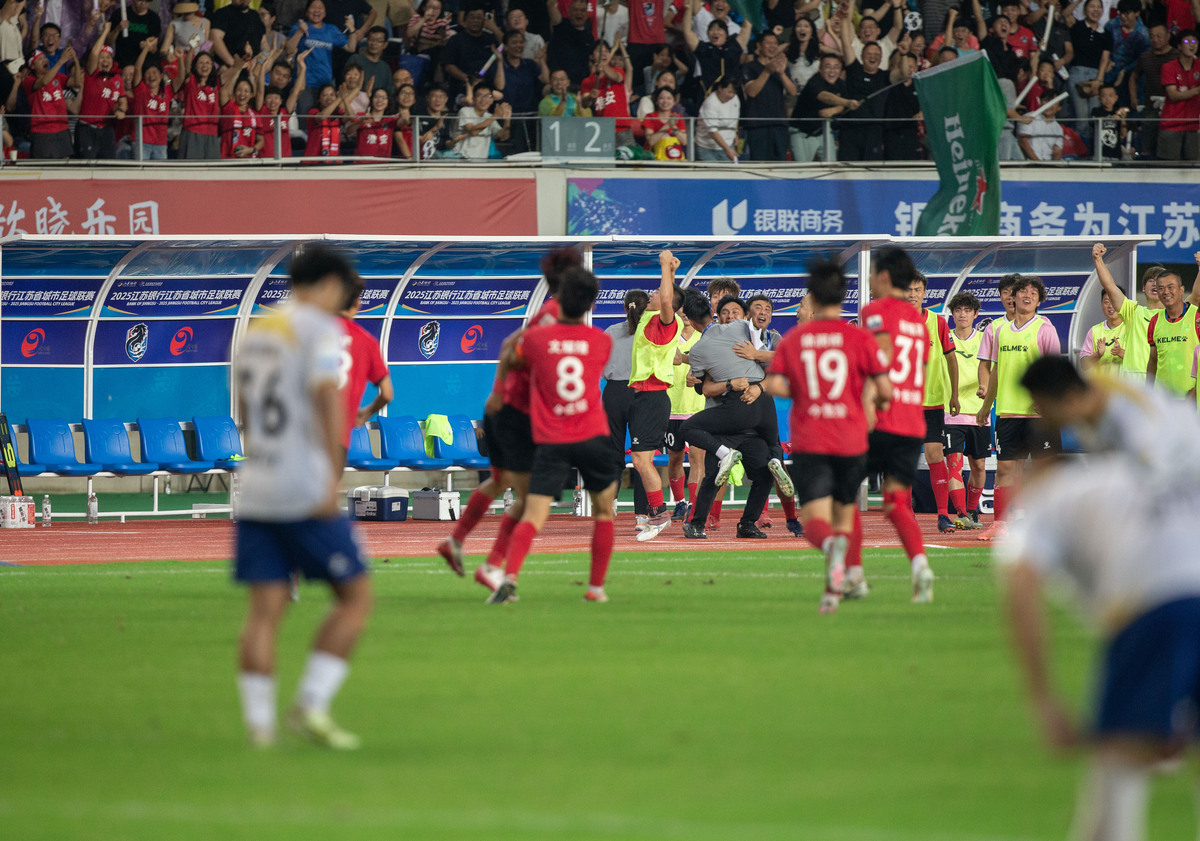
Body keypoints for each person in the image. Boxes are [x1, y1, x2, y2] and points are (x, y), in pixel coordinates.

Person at [234, 244, 372, 750]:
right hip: (301, 486)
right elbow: (326, 401)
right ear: (331, 284)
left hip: (257, 485)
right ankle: (311, 704)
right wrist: (328, 482)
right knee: (356, 598)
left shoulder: (259, 331)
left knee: (264, 610)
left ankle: (259, 728)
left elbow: (247, 412)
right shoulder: (320, 329)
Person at [437, 249, 573, 590]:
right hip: (516, 416)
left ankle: (455, 541)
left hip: (506, 410)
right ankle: (493, 566)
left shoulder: (549, 313)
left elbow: (511, 345)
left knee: (499, 482)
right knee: (530, 501)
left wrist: (498, 392)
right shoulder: (555, 314)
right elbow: (516, 351)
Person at [764, 259, 892, 615]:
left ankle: (836, 562)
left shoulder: (796, 339)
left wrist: (804, 390)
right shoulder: (859, 337)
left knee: (816, 521)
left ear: (812, 297)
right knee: (846, 514)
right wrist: (871, 400)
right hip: (851, 439)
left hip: (812, 439)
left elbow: (774, 383)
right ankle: (842, 585)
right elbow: (884, 389)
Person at [488, 266, 620, 605]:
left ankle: (511, 576)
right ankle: (595, 589)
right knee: (604, 512)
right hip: (592, 435)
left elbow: (511, 358)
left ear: (558, 299)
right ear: (591, 303)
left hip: (552, 440)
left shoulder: (534, 341)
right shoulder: (602, 342)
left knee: (533, 514)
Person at [860, 246, 936, 603]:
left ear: (884, 277)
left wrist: (868, 405)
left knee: (838, 496)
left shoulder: (875, 311)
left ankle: (851, 577)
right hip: (911, 421)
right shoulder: (919, 323)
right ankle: (920, 565)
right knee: (895, 502)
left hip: (882, 420)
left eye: (874, 274)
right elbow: (918, 371)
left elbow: (882, 356)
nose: (871, 281)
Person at [974, 274, 1061, 541]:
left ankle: (1053, 525)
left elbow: (1054, 370)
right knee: (1004, 469)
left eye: (1033, 293)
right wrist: (986, 407)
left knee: (1044, 471)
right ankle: (1000, 523)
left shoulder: (1045, 329)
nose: (1027, 296)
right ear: (1014, 297)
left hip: (1038, 415)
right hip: (1007, 412)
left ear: (1039, 301)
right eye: (1023, 291)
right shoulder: (1001, 330)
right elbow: (996, 372)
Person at [626, 249, 684, 542]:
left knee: (641, 461)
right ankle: (657, 513)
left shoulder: (664, 324)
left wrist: (664, 267)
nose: (651, 296)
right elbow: (666, 297)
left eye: (656, 294)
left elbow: (666, 300)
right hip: (643, 398)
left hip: (652, 397)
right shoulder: (649, 321)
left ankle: (659, 514)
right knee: (640, 460)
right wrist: (671, 272)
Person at [1092, 242, 1200, 393]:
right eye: (1152, 281)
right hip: (1135, 382)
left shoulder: (1183, 311)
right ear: (1143, 288)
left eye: (1164, 284)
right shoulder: (1133, 312)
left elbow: (1196, 295)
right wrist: (1098, 260)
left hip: (1171, 383)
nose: (1158, 287)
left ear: (1179, 290)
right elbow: (1110, 287)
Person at [906, 272, 959, 534]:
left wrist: (955, 394)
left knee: (935, 455)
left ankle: (942, 515)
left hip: (933, 402)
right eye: (908, 289)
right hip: (903, 403)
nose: (913, 294)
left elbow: (951, 359)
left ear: (925, 293)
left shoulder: (937, 322)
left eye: (917, 289)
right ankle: (906, 516)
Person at [602, 290, 652, 532]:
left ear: (625, 308)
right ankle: (642, 516)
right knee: (642, 457)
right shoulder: (653, 332)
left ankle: (608, 509)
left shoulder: (611, 331)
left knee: (613, 454)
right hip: (642, 393)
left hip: (613, 393)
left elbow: (600, 366)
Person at [943, 291, 988, 529]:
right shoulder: (946, 338)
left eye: (967, 310)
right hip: (951, 413)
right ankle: (961, 513)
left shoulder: (984, 338)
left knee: (978, 466)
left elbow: (991, 370)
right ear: (952, 314)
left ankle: (972, 510)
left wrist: (985, 389)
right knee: (954, 464)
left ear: (975, 314)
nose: (962, 314)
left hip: (979, 413)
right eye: (958, 310)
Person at [742, 31, 795, 161]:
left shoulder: (781, 67)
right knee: (760, 166)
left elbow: (792, 91)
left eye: (775, 43)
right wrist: (767, 71)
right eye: (768, 43)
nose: (772, 46)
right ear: (759, 46)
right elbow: (751, 92)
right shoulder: (750, 67)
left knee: (780, 166)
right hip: (758, 126)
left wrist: (782, 73)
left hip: (779, 125)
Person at [790, 54, 852, 163]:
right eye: (828, 66)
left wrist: (835, 109)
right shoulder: (815, 81)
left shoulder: (841, 84)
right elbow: (824, 96)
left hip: (824, 130)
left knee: (832, 167)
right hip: (802, 132)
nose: (832, 71)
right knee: (803, 170)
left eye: (836, 67)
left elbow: (842, 106)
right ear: (820, 69)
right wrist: (846, 102)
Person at [1127, 23, 1174, 159]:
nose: (1155, 39)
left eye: (1159, 36)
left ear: (1168, 36)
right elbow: (1133, 77)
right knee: (1147, 141)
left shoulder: (1177, 55)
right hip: (1150, 106)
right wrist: (1133, 97)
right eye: (1152, 36)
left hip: (1172, 106)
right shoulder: (1145, 57)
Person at [1158, 29, 1200, 162]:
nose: (1191, 45)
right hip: (1172, 125)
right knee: (1169, 170)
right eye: (1187, 41)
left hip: (1193, 126)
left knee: (1193, 169)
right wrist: (1197, 91)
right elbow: (1173, 95)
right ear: (1179, 46)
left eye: (1194, 41)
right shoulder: (1168, 67)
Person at [25, 45, 73, 159]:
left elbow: (76, 82)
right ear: (32, 66)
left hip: (62, 128)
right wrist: (61, 61)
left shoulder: (57, 76)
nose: (45, 60)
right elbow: (44, 81)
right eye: (40, 59)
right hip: (42, 131)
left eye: (44, 57)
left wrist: (74, 58)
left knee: (66, 165)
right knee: (44, 167)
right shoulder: (28, 80)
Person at [177, 50, 222, 159]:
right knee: (192, 170)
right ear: (195, 65)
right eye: (201, 63)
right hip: (193, 131)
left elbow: (234, 69)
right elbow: (187, 69)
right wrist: (192, 49)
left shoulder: (216, 84)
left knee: (212, 171)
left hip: (212, 132)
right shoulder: (191, 81)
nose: (204, 66)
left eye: (208, 63)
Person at [220, 57, 264, 158]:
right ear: (234, 93)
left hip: (248, 160)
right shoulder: (229, 108)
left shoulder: (255, 115)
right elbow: (223, 92)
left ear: (251, 95)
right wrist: (238, 69)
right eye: (239, 90)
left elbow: (261, 140)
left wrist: (251, 149)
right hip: (228, 158)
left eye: (246, 91)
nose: (242, 94)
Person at [453, 81, 511, 158]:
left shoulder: (489, 116)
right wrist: (494, 116)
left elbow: (503, 136)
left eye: (487, 96)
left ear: (492, 100)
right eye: (480, 95)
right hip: (461, 159)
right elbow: (473, 132)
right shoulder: (465, 111)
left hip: (481, 161)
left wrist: (507, 121)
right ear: (473, 99)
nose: (483, 99)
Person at [694, 74, 740, 162]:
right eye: (729, 92)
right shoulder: (710, 103)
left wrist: (735, 133)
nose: (731, 95)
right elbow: (712, 132)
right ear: (720, 88)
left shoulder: (735, 99)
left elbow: (735, 117)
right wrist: (728, 149)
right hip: (707, 147)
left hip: (728, 144)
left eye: (734, 93)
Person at [211, 0, 268, 68]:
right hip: (228, 67)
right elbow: (215, 39)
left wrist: (259, 65)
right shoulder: (222, 13)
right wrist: (235, 65)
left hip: (253, 69)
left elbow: (264, 44)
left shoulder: (255, 16)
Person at [1080, 289, 1125, 375]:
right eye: (1106, 302)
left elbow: (1143, 359)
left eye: (1114, 300)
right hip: (1102, 387)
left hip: (1127, 387)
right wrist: (1098, 355)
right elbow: (1083, 364)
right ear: (1101, 305)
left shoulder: (1131, 327)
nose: (1110, 306)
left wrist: (1120, 352)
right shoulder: (1094, 331)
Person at [108, 0, 161, 69]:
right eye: (140, 0)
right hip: (122, 65)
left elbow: (155, 49)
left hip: (143, 66)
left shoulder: (154, 18)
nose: (143, 3)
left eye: (147, 1)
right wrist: (117, 29)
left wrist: (148, 47)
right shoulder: (119, 14)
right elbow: (108, 42)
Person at [1016, 90, 1065, 161]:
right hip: (1029, 165)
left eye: (1053, 102)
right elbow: (1023, 142)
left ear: (1059, 108)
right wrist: (1038, 163)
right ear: (1040, 102)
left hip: (1048, 167)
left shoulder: (1058, 128)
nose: (1048, 105)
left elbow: (1057, 151)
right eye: (1045, 101)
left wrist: (1054, 168)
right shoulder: (1029, 118)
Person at [346, 25, 393, 96]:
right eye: (371, 39)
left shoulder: (385, 68)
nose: (374, 43)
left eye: (379, 41)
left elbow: (389, 93)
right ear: (367, 41)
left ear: (385, 45)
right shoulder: (355, 59)